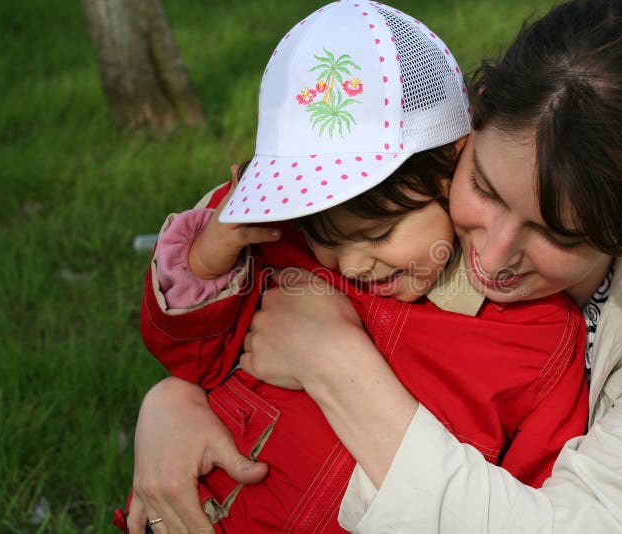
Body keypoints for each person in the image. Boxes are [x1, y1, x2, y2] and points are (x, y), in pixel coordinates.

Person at [129, 0, 622, 531]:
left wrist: (331, 360)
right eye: (487, 192)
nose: (491, 258)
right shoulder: (406, 171)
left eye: (558, 234)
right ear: (471, 119)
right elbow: (238, 248)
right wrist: (174, 398)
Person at [122, 2, 590, 533]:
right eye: (328, 240)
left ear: (453, 167)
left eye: (379, 235)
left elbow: (524, 506)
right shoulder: (284, 252)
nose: (352, 262)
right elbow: (193, 359)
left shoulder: (534, 339)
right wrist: (206, 259)